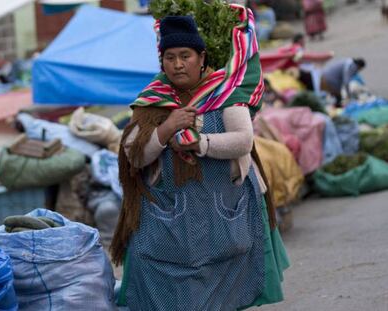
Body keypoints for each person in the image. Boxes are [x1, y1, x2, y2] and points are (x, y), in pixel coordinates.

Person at [111, 8, 289, 311]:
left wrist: (201, 143)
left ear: (202, 57)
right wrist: (166, 129)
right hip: (169, 221)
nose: (178, 65)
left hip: (222, 211)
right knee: (175, 293)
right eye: (170, 57)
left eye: (185, 55)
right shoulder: (152, 99)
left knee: (224, 290)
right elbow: (135, 156)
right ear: (161, 61)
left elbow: (243, 141)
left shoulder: (224, 92)